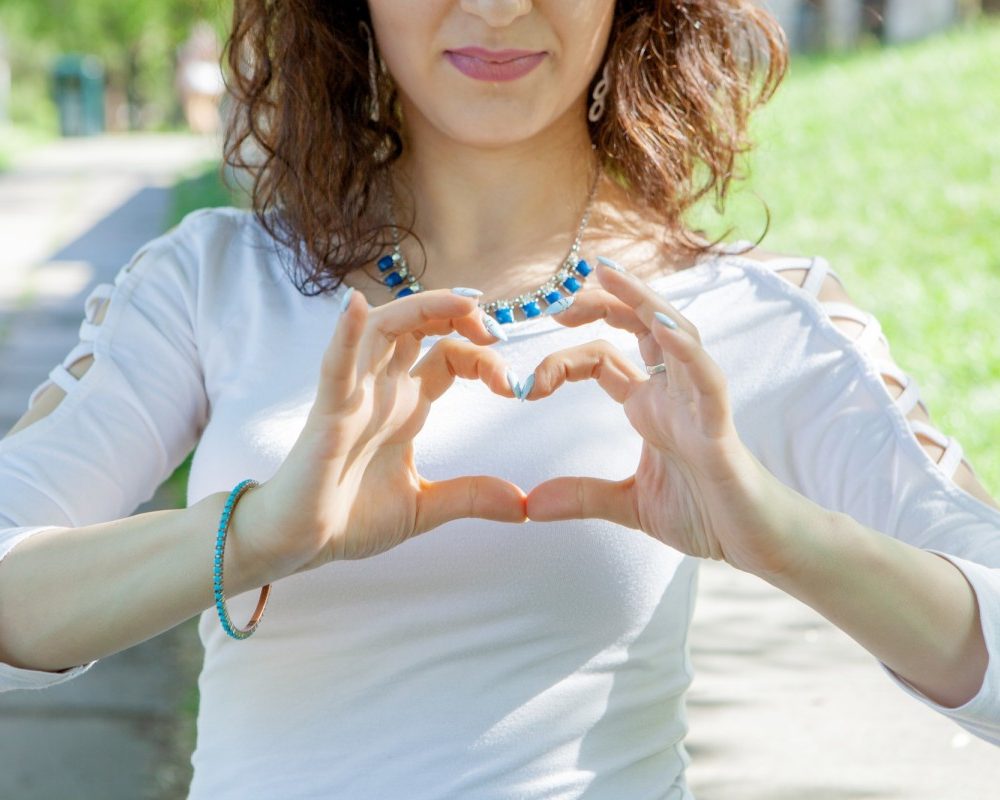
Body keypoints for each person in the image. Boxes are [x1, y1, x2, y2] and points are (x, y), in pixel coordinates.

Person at [0, 1, 997, 797]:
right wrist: (255, 530)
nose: (496, 7)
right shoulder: (209, 282)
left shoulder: (743, 316)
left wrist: (778, 532)